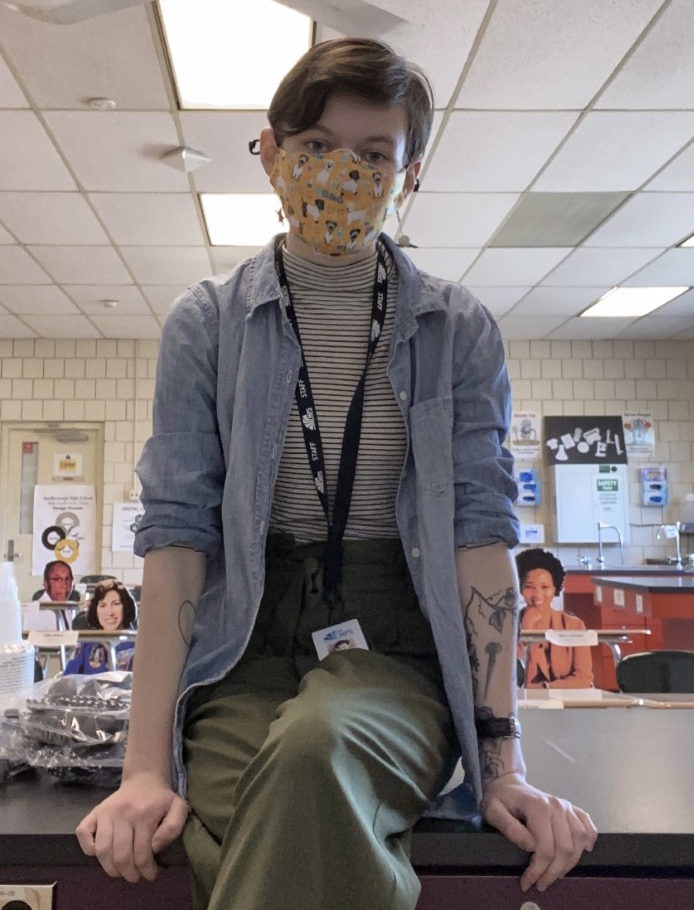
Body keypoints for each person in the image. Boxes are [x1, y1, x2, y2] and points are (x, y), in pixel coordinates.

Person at [76, 37, 596, 908]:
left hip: (397, 645)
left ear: (409, 174)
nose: (340, 173)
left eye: (372, 155)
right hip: (243, 647)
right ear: (272, 155)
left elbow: (480, 537)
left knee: (316, 753)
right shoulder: (206, 325)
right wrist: (142, 769)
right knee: (269, 799)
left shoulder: (456, 329)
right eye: (316, 148)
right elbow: (175, 541)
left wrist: (503, 767)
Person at [516, 548, 594, 689]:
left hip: (566, 704)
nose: (537, 595)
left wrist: (546, 689)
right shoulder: (510, 625)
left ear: (555, 589)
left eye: (545, 587)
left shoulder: (573, 626)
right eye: (529, 587)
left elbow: (583, 678)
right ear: (520, 588)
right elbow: (513, 678)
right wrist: (525, 630)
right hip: (524, 706)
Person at [63, 580, 137, 675]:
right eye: (103, 605)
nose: (110, 612)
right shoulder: (85, 645)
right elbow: (68, 680)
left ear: (126, 607)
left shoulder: (138, 646)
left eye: (116, 604)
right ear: (96, 610)